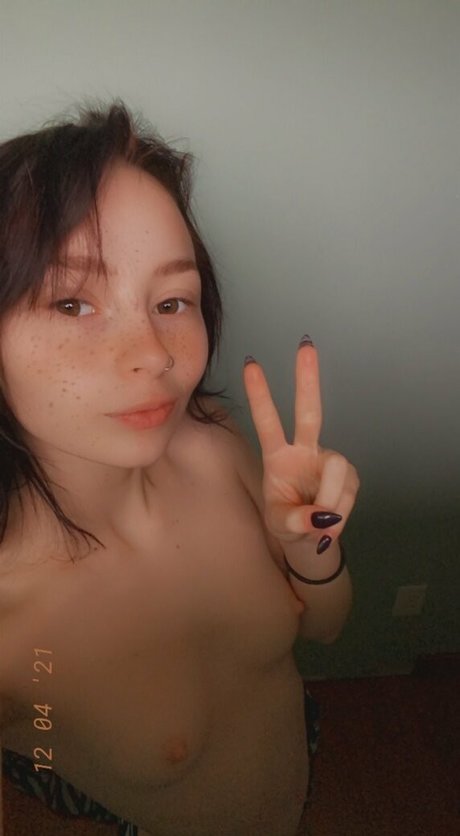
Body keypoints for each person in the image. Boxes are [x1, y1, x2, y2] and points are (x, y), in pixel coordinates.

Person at [0, 100, 360, 836]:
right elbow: (39, 751)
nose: (155, 356)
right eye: (71, 303)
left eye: (172, 300)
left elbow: (324, 630)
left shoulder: (214, 446)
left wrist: (311, 547)